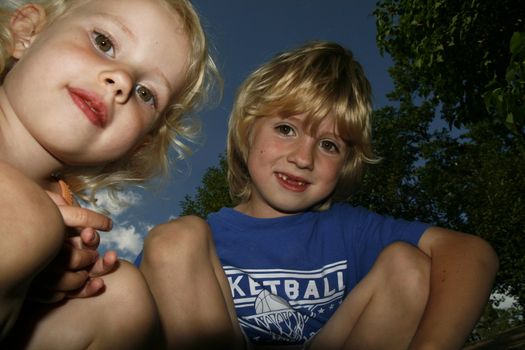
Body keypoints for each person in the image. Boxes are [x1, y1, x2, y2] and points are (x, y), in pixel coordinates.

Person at [138, 41, 499, 350]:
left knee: (409, 266)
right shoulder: (206, 243)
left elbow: (471, 253)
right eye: (286, 128)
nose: (303, 158)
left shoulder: (349, 229)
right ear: (247, 132)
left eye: (328, 145)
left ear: (345, 165)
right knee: (175, 238)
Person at [0, 0, 218, 348]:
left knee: (121, 295)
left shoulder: (63, 222)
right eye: (104, 42)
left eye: (146, 94)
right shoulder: (37, 214)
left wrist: (34, 278)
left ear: (137, 146)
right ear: (28, 32)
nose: (122, 81)